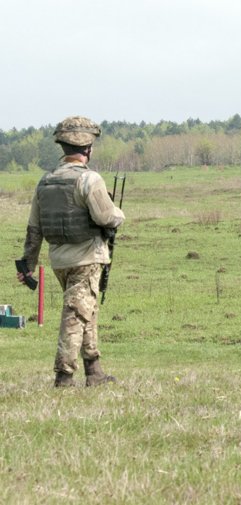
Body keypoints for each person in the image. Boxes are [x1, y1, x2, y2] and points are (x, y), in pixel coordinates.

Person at [17, 116, 125, 387]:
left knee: (85, 309)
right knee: (76, 313)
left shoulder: (46, 181)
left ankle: (95, 371)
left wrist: (28, 263)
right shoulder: (89, 179)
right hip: (87, 256)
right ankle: (64, 377)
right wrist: (119, 214)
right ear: (87, 149)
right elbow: (105, 217)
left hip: (59, 260)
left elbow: (34, 228)